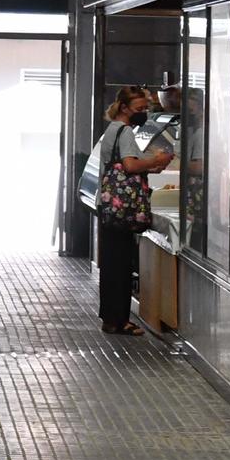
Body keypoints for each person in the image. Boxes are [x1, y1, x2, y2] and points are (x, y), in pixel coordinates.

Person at [95, 85, 173, 335]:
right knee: (120, 265)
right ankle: (120, 320)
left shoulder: (112, 130)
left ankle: (110, 318)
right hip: (123, 208)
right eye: (140, 108)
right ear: (125, 108)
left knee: (111, 264)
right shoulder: (126, 131)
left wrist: (148, 167)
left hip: (109, 205)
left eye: (146, 108)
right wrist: (157, 160)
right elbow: (129, 165)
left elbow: (123, 164)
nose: (144, 112)